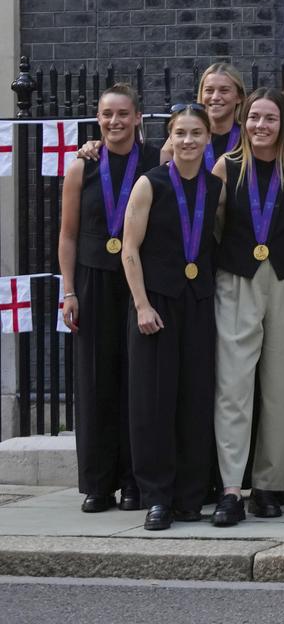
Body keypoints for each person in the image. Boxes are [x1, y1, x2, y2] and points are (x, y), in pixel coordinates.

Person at [209, 90, 284, 526]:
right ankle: (231, 487)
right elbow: (212, 225)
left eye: (270, 118)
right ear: (244, 120)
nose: (261, 125)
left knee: (283, 387)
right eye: (254, 117)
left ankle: (270, 485)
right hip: (237, 279)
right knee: (233, 385)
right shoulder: (226, 166)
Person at [118, 104, 221, 530]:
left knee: (196, 398)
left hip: (198, 302)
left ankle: (191, 496)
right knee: (154, 402)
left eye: (196, 133)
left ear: (208, 138)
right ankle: (157, 497)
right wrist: (142, 304)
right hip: (156, 303)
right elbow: (129, 248)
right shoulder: (150, 183)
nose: (188, 141)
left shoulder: (216, 187)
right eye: (181, 133)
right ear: (170, 138)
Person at [57, 84, 147, 514]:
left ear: (138, 118)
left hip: (137, 282)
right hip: (92, 281)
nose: (115, 122)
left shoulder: (155, 162)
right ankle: (97, 484)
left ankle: (133, 481)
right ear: (98, 119)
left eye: (123, 114)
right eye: (107, 114)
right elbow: (67, 235)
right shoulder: (82, 167)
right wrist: (68, 290)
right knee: (95, 381)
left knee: (136, 380)